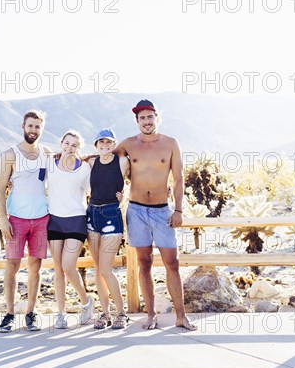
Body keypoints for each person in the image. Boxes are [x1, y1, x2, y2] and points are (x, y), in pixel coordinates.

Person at [114, 99, 197, 331]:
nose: (146, 121)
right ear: (137, 121)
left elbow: (179, 178)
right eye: (142, 118)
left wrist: (178, 209)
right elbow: (105, 158)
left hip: (163, 211)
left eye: (150, 117)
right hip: (137, 210)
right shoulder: (129, 144)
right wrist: (72, 157)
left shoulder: (170, 143)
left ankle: (181, 316)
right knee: (144, 263)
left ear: (156, 118)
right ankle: (150, 315)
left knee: (172, 263)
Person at [0, 110, 51, 333]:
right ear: (23, 126)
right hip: (16, 219)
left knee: (35, 268)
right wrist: (3, 219)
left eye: (37, 127)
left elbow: (65, 169)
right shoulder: (10, 154)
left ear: (42, 129)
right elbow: (0, 188)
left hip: (41, 219)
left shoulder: (47, 153)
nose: (33, 130)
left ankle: (31, 312)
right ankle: (9, 313)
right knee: (12, 266)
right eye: (30, 126)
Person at [46, 130, 94, 329]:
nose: (69, 148)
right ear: (61, 143)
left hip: (76, 220)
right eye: (67, 143)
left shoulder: (84, 168)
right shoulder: (50, 164)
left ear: (79, 148)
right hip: (54, 221)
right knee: (58, 270)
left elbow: (94, 191)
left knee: (68, 266)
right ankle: (60, 314)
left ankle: (86, 302)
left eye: (74, 145)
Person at [86, 129, 131, 330]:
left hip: (112, 215)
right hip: (92, 215)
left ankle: (121, 313)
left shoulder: (121, 162)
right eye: (101, 142)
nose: (105, 145)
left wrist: (126, 195)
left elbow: (136, 178)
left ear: (114, 145)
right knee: (98, 271)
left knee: (106, 269)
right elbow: (70, 161)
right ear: (96, 145)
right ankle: (105, 314)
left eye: (109, 142)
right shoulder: (91, 162)